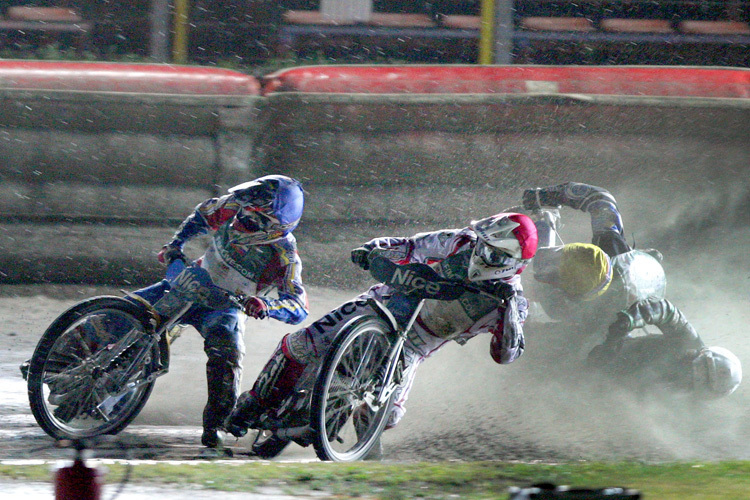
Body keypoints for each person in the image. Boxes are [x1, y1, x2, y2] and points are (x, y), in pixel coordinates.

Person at [225, 212, 538, 458]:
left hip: (416, 344)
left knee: (389, 415)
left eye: (493, 254)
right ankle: (254, 401)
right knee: (300, 343)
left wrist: (508, 309)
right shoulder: (461, 242)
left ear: (514, 265)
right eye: (483, 245)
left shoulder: (512, 301)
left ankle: (364, 444)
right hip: (381, 304)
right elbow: (413, 246)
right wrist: (373, 248)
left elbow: (507, 354)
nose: (481, 255)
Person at [135, 174, 309, 451]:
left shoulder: (285, 254)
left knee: (226, 355)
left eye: (253, 216)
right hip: (191, 280)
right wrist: (176, 244)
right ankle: (78, 352)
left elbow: (298, 306)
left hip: (225, 306)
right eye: (245, 208)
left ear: (274, 226)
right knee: (131, 310)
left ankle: (215, 427)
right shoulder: (235, 205)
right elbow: (202, 216)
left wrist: (266, 306)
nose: (242, 216)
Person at [519, 182, 668, 352]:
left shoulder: (595, 322)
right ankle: (545, 222)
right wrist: (547, 195)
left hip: (585, 330)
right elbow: (601, 199)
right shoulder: (611, 245)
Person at [587, 298, 742, 399]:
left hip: (602, 388)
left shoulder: (686, 402)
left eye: (699, 380)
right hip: (610, 347)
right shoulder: (688, 340)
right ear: (702, 353)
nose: (690, 375)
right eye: (698, 368)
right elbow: (664, 310)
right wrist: (628, 322)